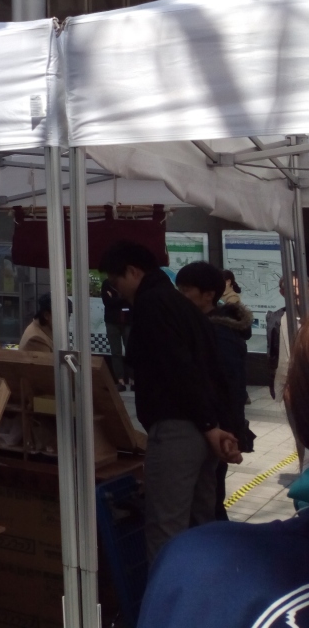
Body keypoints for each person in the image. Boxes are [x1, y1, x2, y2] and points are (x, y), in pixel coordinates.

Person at [137, 318, 309, 628]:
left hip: (194, 433)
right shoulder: (221, 331)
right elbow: (228, 385)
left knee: (173, 520)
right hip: (212, 431)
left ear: (293, 402)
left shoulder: (202, 567)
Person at [100, 240, 241, 564]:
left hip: (178, 430)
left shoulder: (152, 304)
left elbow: (178, 368)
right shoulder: (185, 307)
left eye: (116, 279)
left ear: (133, 272)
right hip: (204, 431)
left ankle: (168, 597)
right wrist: (217, 427)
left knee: (167, 532)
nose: (115, 289)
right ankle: (204, 594)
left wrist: (209, 426)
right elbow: (215, 374)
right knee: (200, 526)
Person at [175, 260, 256, 520]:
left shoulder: (218, 333)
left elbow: (229, 385)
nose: (180, 296)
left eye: (186, 290)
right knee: (207, 496)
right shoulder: (200, 325)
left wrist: (230, 430)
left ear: (208, 295)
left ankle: (216, 541)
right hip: (208, 423)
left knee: (210, 498)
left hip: (217, 426)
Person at [100, 277, 132, 388]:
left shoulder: (127, 282)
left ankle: (133, 379)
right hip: (112, 322)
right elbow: (107, 302)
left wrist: (115, 299)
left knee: (131, 351)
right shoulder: (106, 283)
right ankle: (120, 380)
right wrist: (122, 299)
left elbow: (131, 302)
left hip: (128, 321)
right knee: (115, 352)